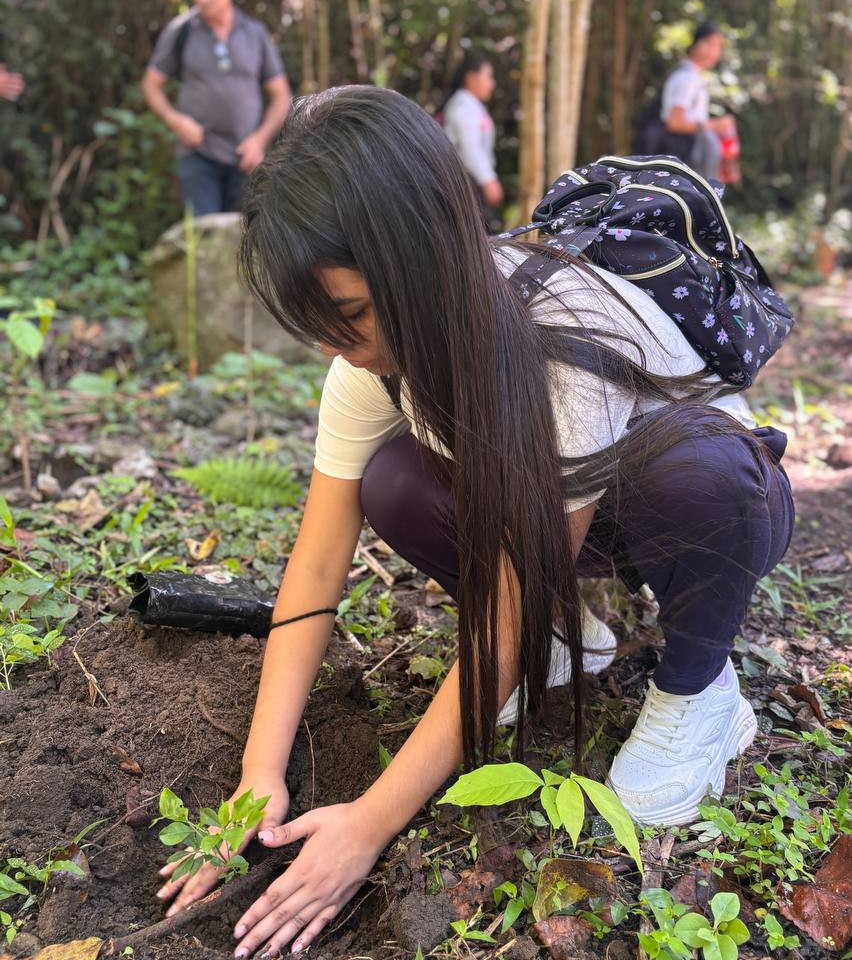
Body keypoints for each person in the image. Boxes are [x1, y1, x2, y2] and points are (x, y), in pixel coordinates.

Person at [154, 87, 794, 959]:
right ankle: (577, 639)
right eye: (321, 329)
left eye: (351, 320)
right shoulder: (372, 364)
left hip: (691, 506)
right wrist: (258, 774)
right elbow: (314, 567)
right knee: (393, 480)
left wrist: (371, 822)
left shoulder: (562, 342)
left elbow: (507, 606)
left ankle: (698, 690)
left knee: (700, 477)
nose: (340, 350)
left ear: (423, 262)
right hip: (562, 512)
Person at [141, 0, 291, 216]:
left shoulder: (255, 33)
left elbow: (281, 96)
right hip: (198, 154)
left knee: (246, 238)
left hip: (246, 159)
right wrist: (175, 121)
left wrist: (259, 140)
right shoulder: (181, 30)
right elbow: (151, 85)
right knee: (204, 236)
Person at [660, 21, 736, 179]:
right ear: (698, 43)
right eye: (712, 44)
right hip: (685, 156)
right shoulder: (687, 78)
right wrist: (716, 125)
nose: (715, 52)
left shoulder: (692, 76)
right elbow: (674, 122)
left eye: (719, 47)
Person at [442, 52, 503, 230]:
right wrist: (488, 180)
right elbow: (469, 147)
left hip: (472, 182)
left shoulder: (471, 105)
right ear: (471, 77)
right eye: (488, 77)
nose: (492, 84)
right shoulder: (463, 105)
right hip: (469, 183)